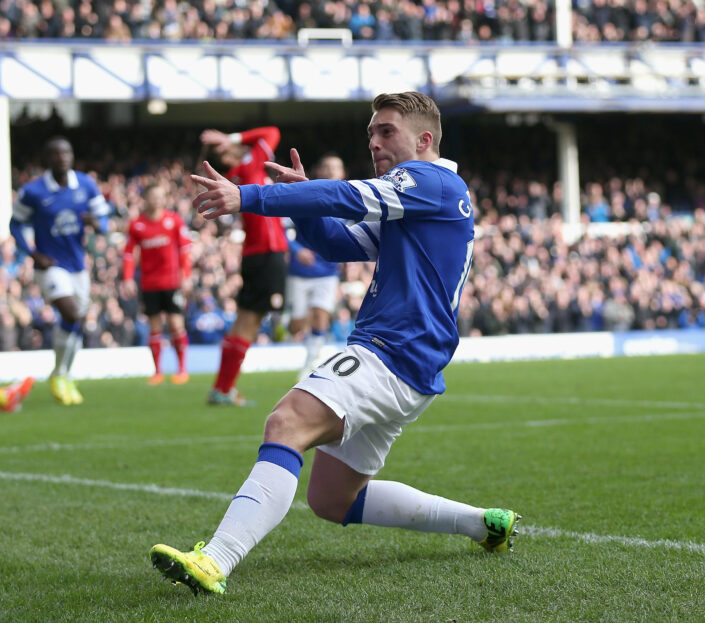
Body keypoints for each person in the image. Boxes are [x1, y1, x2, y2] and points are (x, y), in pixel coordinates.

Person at [150, 92, 519, 595]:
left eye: (386, 131)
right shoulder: (421, 200)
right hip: (412, 363)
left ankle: (215, 560)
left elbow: (346, 197)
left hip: (391, 351)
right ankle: (482, 523)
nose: (374, 142)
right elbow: (334, 243)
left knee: (286, 422)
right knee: (331, 498)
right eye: (371, 133)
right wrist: (302, 204)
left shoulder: (429, 181)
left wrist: (248, 195)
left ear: (424, 140)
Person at [10, 136, 110, 406]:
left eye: (66, 153)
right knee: (71, 313)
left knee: (76, 322)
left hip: (78, 266)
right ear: (47, 159)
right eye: (56, 154)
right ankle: (59, 376)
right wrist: (33, 253)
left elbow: (104, 221)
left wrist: (96, 223)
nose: (62, 158)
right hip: (51, 266)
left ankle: (63, 374)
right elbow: (15, 224)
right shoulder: (33, 191)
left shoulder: (86, 184)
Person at [199, 125, 287, 406]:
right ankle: (224, 389)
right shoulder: (249, 166)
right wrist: (231, 138)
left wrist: (228, 141)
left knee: (242, 322)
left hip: (254, 254)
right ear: (226, 156)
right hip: (267, 253)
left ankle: (221, 388)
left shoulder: (238, 175)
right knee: (249, 324)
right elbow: (272, 132)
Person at [120, 182, 193, 385]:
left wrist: (186, 275)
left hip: (172, 282)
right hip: (149, 283)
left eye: (161, 196)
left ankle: (182, 369)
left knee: (176, 324)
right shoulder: (136, 225)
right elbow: (128, 253)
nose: (157, 200)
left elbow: (185, 250)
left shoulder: (174, 220)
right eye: (154, 196)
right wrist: (127, 278)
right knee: (154, 327)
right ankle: (157, 372)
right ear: (145, 199)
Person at [284, 153, 345, 380]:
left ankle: (310, 364)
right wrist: (297, 250)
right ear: (318, 171)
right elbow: (283, 229)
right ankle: (289, 324)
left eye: (335, 167)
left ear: (342, 173)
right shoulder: (306, 196)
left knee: (320, 315)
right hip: (300, 273)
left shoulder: (349, 201)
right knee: (296, 325)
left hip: (328, 272)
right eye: (326, 166)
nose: (330, 171)